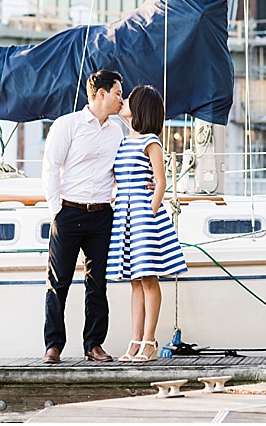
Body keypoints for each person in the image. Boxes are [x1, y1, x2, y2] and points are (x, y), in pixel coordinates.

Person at [41, 69, 124, 364]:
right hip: (69, 212)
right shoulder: (68, 125)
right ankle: (53, 345)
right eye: (117, 93)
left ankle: (94, 344)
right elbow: (51, 167)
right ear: (101, 94)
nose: (121, 99)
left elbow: (120, 171)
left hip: (102, 214)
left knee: (97, 282)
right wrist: (56, 209)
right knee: (58, 282)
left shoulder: (117, 131)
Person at [106, 84, 187, 362]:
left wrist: (150, 212)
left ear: (140, 108)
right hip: (125, 214)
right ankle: (135, 341)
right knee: (134, 281)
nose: (123, 101)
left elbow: (161, 181)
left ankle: (149, 342)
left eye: (129, 99)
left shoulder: (150, 141)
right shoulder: (124, 141)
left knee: (149, 279)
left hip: (143, 215)